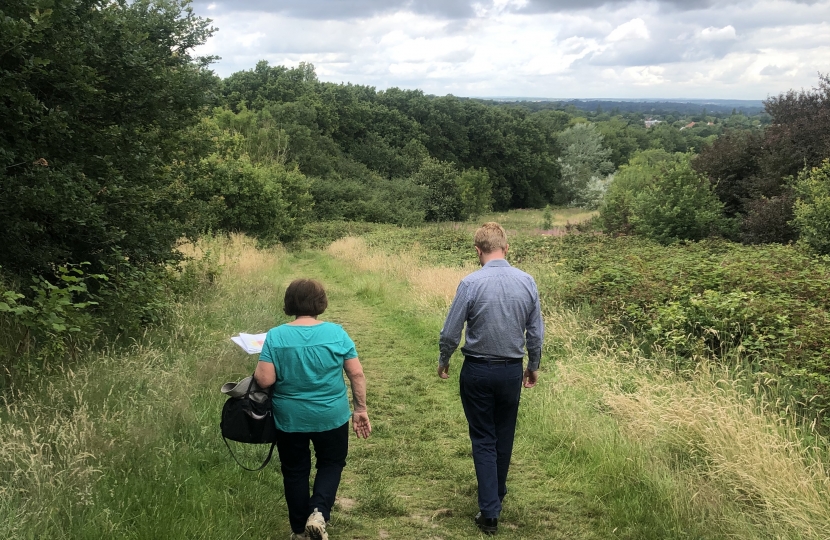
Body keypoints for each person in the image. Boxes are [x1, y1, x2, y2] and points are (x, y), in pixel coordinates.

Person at [437, 222, 543, 536]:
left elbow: (450, 331)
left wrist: (444, 359)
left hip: (477, 369)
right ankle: (496, 493)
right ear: (506, 248)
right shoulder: (527, 281)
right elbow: (535, 333)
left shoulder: (470, 283)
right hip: (511, 369)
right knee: (504, 433)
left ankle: (490, 511)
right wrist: (533, 364)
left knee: (483, 437)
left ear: (478, 251)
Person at [255, 278, 371, 540]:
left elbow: (264, 380)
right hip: (332, 415)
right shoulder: (337, 333)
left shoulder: (276, 336)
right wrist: (360, 409)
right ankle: (318, 511)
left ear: (289, 303)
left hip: (290, 418)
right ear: (321, 303)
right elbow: (357, 374)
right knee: (331, 463)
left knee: (295, 470)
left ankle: (298, 531)